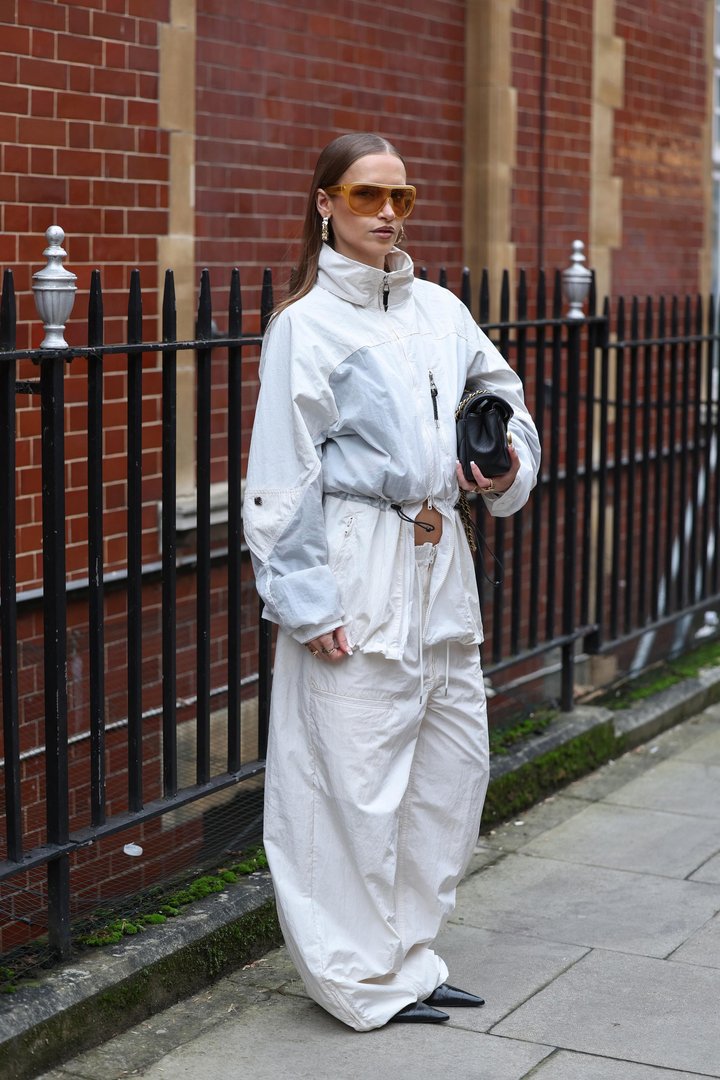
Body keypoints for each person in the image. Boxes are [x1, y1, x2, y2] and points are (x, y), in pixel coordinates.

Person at [243, 133, 540, 1032]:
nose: (385, 213)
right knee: (349, 783)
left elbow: (508, 403)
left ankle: (411, 959)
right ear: (325, 203)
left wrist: (504, 463)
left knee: (449, 772)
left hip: (440, 560)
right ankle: (357, 980)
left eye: (399, 197)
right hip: (357, 562)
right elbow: (281, 474)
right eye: (365, 195)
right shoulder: (306, 326)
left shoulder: (441, 310)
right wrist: (307, 601)